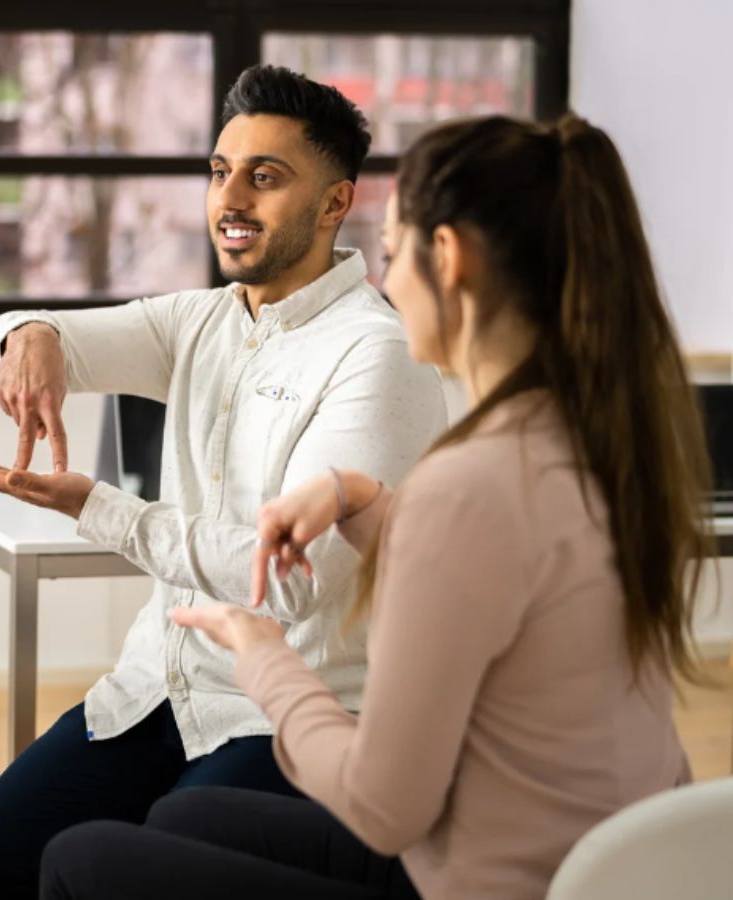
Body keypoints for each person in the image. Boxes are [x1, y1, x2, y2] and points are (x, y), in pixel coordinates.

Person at [41, 112, 709, 900]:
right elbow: (505, 577)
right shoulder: (602, 448)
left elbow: (384, 809)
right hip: (607, 859)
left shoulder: (463, 484)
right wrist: (369, 508)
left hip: (478, 876)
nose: (384, 283)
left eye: (392, 254)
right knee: (184, 825)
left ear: (448, 259)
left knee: (78, 861)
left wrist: (268, 665)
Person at [0, 65, 448, 899]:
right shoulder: (204, 319)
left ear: (334, 204)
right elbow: (26, 336)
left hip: (288, 711)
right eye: (220, 171)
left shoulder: (375, 353)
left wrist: (101, 510)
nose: (231, 198)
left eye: (266, 176)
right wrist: (26, 333)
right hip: (158, 690)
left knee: (136, 873)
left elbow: (290, 582)